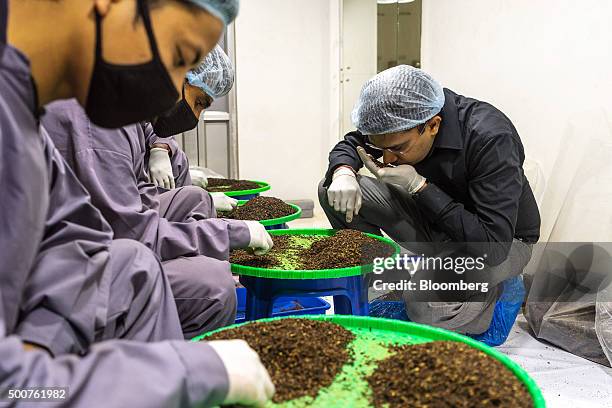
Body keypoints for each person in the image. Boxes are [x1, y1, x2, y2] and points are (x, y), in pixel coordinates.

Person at [1, 0, 273, 406]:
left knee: (134, 267)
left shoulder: (23, 112)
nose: (170, 90)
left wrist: (44, 341)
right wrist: (185, 374)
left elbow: (78, 232)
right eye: (180, 57)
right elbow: (13, 391)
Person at [42, 46, 272, 338]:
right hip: (69, 274)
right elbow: (134, 235)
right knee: (213, 286)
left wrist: (160, 148)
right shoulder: (99, 126)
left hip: (99, 232)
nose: (196, 116)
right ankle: (160, 369)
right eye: (199, 102)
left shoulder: (120, 101)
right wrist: (227, 234)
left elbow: (140, 174)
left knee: (193, 197)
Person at [319, 65, 541, 336]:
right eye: (381, 147)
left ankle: (493, 299)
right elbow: (352, 143)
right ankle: (390, 279)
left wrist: (419, 186)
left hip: (498, 243)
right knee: (332, 191)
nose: (387, 160)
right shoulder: (401, 124)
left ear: (433, 125)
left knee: (425, 308)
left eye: (399, 148)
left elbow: (492, 247)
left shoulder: (490, 137)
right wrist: (343, 172)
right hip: (437, 221)